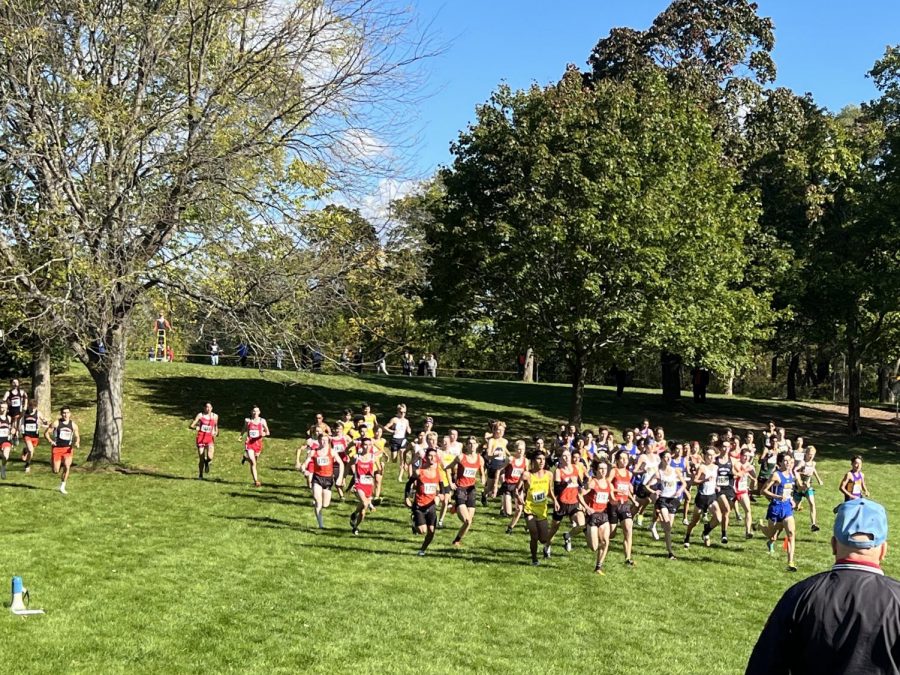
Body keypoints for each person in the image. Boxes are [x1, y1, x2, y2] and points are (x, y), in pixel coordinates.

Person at [746, 498, 900, 675]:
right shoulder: (897, 599)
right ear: (883, 550)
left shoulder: (801, 595)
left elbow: (764, 667)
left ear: (834, 545)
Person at [761, 452, 798, 572]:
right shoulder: (776, 475)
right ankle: (759, 526)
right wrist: (776, 496)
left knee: (791, 534)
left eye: (790, 461)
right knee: (771, 536)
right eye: (785, 461)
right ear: (780, 462)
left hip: (787, 508)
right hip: (776, 508)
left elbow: (788, 491)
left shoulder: (791, 475)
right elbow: (763, 491)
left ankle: (790, 562)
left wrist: (791, 500)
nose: (788, 463)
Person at [446, 436, 486, 547]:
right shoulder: (461, 457)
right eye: (470, 444)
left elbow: (482, 472)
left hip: (471, 490)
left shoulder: (480, 458)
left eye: (474, 443)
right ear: (466, 446)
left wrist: (483, 479)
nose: (472, 446)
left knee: (470, 521)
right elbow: (448, 468)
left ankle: (456, 541)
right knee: (467, 521)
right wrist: (450, 482)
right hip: (460, 489)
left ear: (477, 445)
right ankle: (457, 505)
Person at [404, 447, 443, 556]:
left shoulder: (437, 472)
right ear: (426, 457)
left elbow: (441, 485)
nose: (432, 458)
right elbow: (408, 484)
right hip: (419, 505)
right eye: (430, 456)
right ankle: (415, 521)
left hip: (431, 506)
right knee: (422, 531)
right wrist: (406, 497)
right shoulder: (418, 472)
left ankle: (422, 550)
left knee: (431, 531)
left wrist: (441, 495)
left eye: (434, 456)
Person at [579, 458, 614, 574]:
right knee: (594, 547)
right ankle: (585, 530)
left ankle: (598, 567)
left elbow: (611, 497)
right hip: (593, 516)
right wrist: (587, 507)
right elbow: (580, 495)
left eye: (605, 469)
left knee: (605, 541)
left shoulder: (608, 483)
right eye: (601, 469)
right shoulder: (593, 482)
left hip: (603, 515)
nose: (603, 471)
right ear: (596, 470)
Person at [519, 451, 553, 566]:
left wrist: (556, 501)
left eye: (543, 459)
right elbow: (517, 490)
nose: (542, 461)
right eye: (539, 459)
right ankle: (534, 558)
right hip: (529, 508)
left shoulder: (549, 474)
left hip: (542, 509)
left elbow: (549, 491)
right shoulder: (527, 474)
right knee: (534, 535)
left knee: (543, 539)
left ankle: (545, 547)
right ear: (533, 461)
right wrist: (519, 497)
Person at [608, 449, 637, 567]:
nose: (624, 461)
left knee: (628, 530)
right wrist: (615, 491)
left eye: (626, 458)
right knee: (611, 534)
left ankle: (628, 558)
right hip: (613, 504)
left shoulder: (629, 474)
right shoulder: (614, 471)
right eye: (622, 458)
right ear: (618, 460)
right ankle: (594, 534)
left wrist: (633, 499)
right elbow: (607, 484)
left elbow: (626, 490)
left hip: (625, 504)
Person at [309, 434, 343, 529]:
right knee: (318, 501)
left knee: (325, 504)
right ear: (319, 441)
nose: (323, 442)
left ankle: (317, 503)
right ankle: (321, 525)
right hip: (317, 478)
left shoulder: (332, 452)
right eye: (322, 440)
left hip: (328, 479)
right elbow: (307, 461)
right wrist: (303, 467)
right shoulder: (314, 451)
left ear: (328, 441)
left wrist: (340, 477)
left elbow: (341, 463)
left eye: (325, 440)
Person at [45, 406, 80, 494]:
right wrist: (50, 441)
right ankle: (55, 462)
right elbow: (46, 433)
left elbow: (77, 436)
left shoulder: (73, 425)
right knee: (55, 471)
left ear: (70, 414)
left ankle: (62, 486)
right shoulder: (56, 423)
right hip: (57, 448)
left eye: (67, 412)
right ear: (61, 414)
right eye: (64, 413)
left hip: (68, 449)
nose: (65, 414)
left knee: (67, 466)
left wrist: (77, 442)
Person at [350, 437, 376, 534]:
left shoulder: (373, 457)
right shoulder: (356, 457)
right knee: (365, 503)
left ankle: (355, 525)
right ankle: (357, 512)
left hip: (368, 485)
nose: (367, 447)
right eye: (365, 444)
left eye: (369, 445)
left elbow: (375, 471)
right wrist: (343, 478)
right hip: (359, 484)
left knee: (363, 512)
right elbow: (349, 465)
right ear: (361, 446)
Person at [500, 440, 528, 531]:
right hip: (508, 484)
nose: (521, 451)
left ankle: (510, 527)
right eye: (519, 449)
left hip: (518, 486)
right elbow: (500, 469)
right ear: (515, 449)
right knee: (508, 512)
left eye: (522, 449)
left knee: (519, 509)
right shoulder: (511, 459)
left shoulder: (526, 461)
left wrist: (526, 486)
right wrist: (502, 478)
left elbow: (527, 474)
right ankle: (504, 501)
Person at [795, 445, 824, 532]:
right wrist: (799, 478)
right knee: (794, 506)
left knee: (812, 503)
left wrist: (819, 480)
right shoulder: (802, 462)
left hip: (808, 486)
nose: (811, 456)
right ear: (806, 454)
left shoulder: (813, 463)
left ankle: (813, 524)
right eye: (809, 454)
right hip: (800, 487)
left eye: (813, 454)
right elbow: (795, 470)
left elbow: (814, 470)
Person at [240, 406, 270, 487]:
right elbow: (244, 428)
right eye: (254, 411)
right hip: (249, 444)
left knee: (254, 463)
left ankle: (246, 458)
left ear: (259, 412)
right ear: (251, 412)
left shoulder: (262, 421)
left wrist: (264, 434)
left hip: (258, 444)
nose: (255, 413)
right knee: (253, 462)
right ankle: (256, 481)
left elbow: (268, 432)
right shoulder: (248, 420)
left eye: (257, 411)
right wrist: (241, 435)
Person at [189, 402, 219, 479]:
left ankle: (207, 462)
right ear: (204, 408)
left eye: (210, 407)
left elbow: (215, 426)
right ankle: (200, 474)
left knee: (210, 457)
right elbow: (191, 425)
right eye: (206, 407)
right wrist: (196, 427)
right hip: (201, 438)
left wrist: (216, 432)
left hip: (209, 439)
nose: (208, 409)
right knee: (201, 458)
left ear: (212, 408)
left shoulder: (215, 416)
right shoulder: (200, 415)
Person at [19, 398, 48, 474]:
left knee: (30, 451)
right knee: (31, 450)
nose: (32, 409)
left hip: (35, 435)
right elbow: (20, 421)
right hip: (26, 434)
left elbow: (44, 421)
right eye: (31, 407)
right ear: (29, 406)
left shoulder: (38, 413)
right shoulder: (25, 413)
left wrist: (44, 422)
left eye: (34, 407)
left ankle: (25, 450)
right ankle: (27, 465)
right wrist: (19, 429)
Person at [0, 401, 14, 480]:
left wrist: (12, 430)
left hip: (6, 440)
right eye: (2, 407)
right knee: (3, 455)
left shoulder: (8, 418)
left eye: (5, 408)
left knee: (6, 455)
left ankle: (3, 468)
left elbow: (11, 427)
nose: (4, 409)